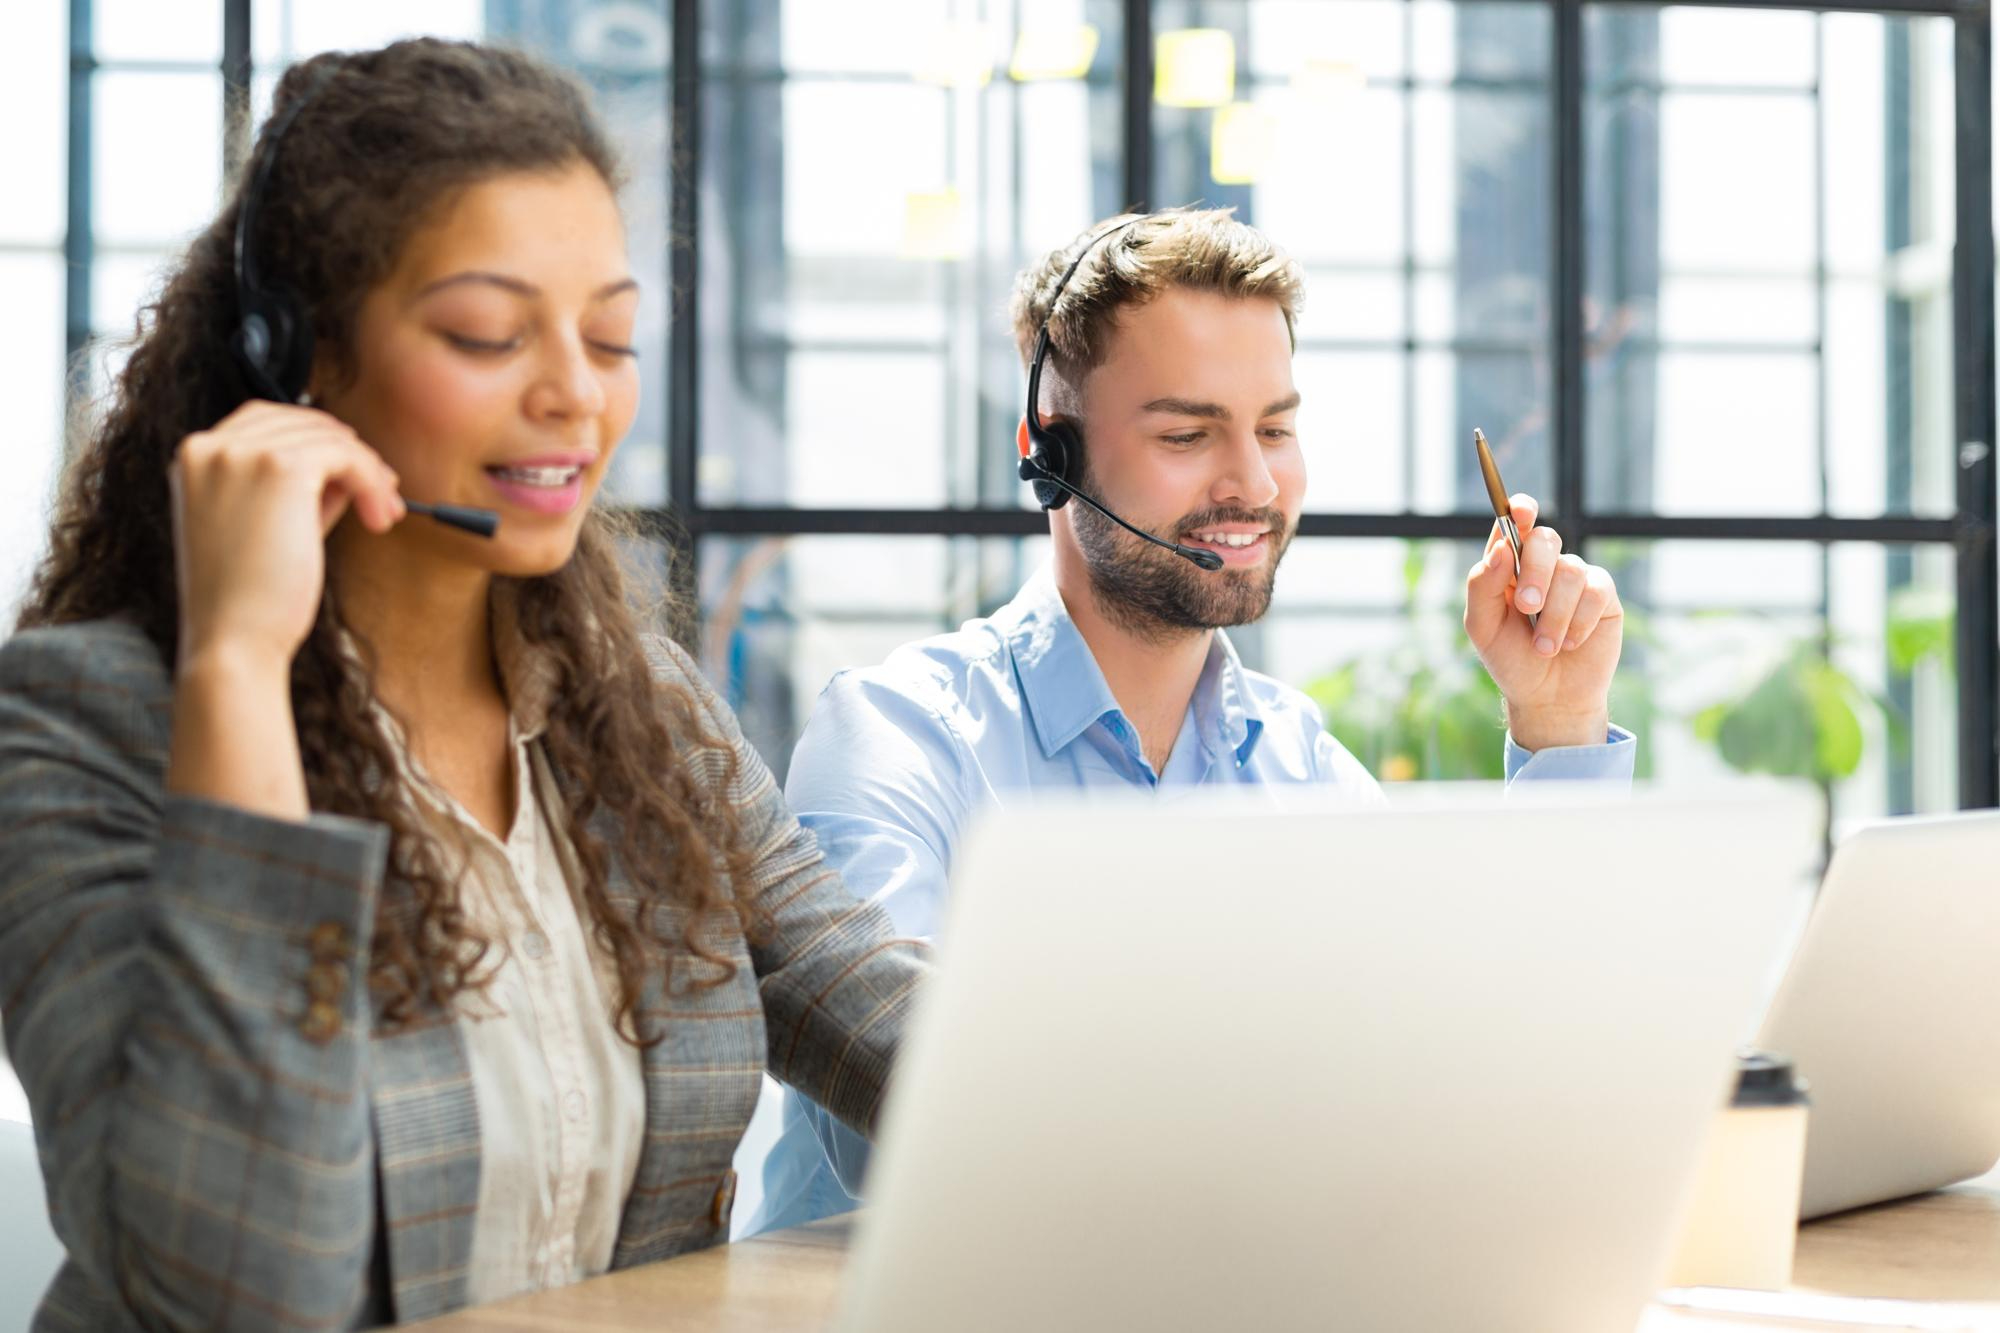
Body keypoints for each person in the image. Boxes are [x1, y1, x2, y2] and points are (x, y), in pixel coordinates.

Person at [0, 39, 926, 1331]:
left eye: (609, 336)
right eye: (489, 333)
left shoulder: (637, 708)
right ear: (297, 355)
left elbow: (900, 1026)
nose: (576, 397)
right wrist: (239, 665)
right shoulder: (81, 721)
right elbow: (239, 1286)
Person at [744, 208, 1634, 1234]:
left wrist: (1556, 718)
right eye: (1185, 434)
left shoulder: (1305, 772)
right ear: (1049, 454)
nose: (1251, 486)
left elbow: (1500, 1081)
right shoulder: (897, 740)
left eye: (1274, 429)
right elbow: (890, 1117)